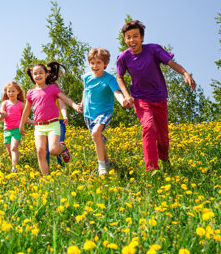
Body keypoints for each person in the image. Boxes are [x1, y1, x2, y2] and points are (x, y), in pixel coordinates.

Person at [116, 20, 196, 172]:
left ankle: (164, 158)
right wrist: (127, 96)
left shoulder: (153, 50)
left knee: (163, 139)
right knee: (148, 127)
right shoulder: (123, 58)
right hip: (140, 99)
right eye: (128, 37)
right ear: (124, 39)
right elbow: (119, 77)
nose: (132, 40)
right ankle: (152, 169)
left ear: (142, 37)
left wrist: (185, 73)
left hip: (159, 98)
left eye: (135, 36)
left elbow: (171, 63)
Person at [19, 62, 80, 175]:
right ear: (32, 76)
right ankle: (46, 178)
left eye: (41, 73)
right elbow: (26, 110)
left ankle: (62, 148)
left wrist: (76, 106)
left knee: (53, 150)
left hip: (53, 124)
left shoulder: (52, 89)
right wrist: (21, 125)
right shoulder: (31, 93)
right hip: (39, 127)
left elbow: (65, 99)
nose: (38, 75)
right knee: (40, 151)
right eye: (35, 74)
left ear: (47, 74)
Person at [76, 48, 126, 175]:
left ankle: (101, 167)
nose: (95, 66)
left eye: (98, 63)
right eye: (92, 63)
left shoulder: (109, 79)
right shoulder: (86, 77)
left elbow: (116, 92)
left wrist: (123, 101)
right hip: (88, 114)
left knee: (96, 132)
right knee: (96, 137)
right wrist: (82, 103)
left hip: (104, 112)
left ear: (105, 64)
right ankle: (108, 163)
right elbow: (85, 90)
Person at [0, 81, 33, 171]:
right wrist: (2, 115)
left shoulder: (21, 104)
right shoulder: (5, 103)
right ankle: (15, 164)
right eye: (9, 91)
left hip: (17, 129)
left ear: (18, 92)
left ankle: (14, 168)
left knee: (14, 148)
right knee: (10, 151)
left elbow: (26, 118)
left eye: (13, 91)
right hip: (7, 130)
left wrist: (34, 122)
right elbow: (0, 116)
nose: (11, 93)